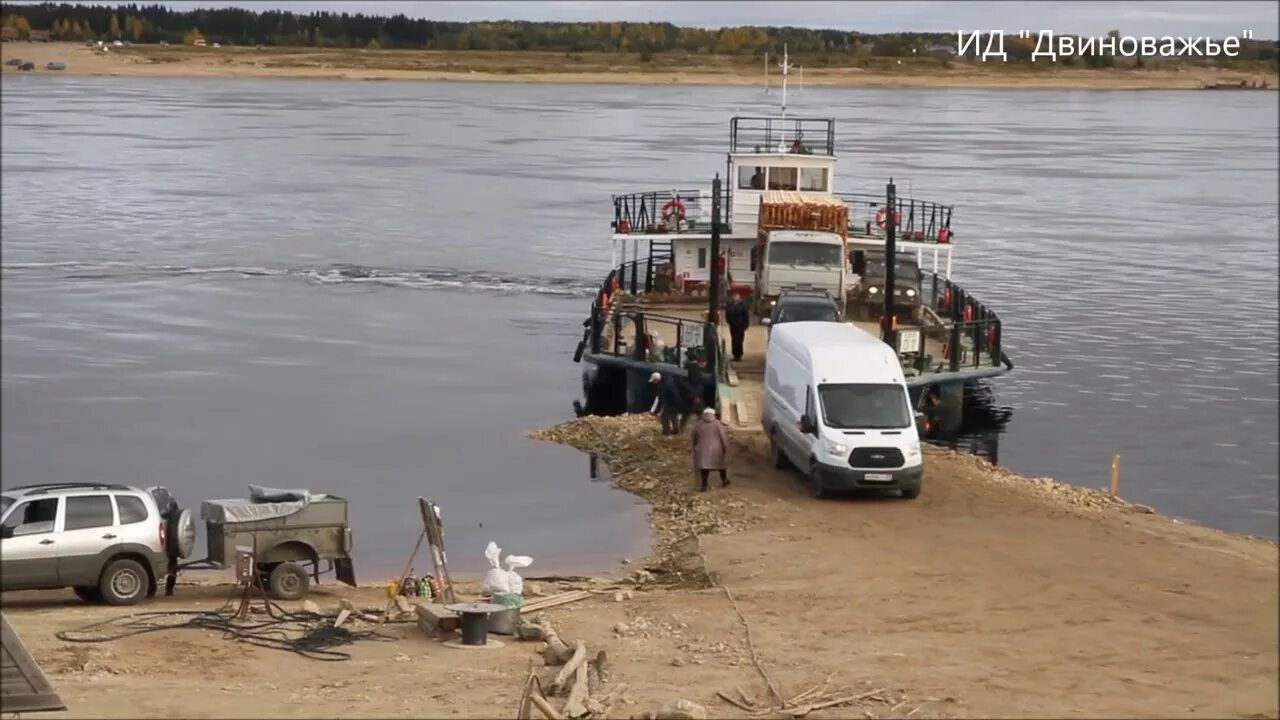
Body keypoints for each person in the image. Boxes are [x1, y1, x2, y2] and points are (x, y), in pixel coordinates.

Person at [691, 407, 730, 491]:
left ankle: (704, 486)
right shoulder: (717, 424)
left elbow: (694, 436)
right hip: (716, 449)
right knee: (721, 466)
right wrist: (725, 448)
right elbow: (723, 437)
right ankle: (724, 481)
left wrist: (695, 447)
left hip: (702, 448)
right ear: (713, 414)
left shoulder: (698, 424)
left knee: (704, 468)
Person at [649, 371, 688, 435]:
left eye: (654, 381)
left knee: (664, 416)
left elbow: (660, 400)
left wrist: (655, 411)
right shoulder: (668, 379)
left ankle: (666, 432)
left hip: (672, 402)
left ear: (657, 380)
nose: (653, 383)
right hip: (678, 400)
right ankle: (676, 431)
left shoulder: (662, 386)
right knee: (673, 415)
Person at [725, 291, 750, 362]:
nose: (735, 297)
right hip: (733, 325)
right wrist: (729, 322)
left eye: (736, 296)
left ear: (739, 297)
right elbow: (727, 314)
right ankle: (734, 354)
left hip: (740, 325)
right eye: (734, 296)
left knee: (739, 341)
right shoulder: (730, 304)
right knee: (734, 340)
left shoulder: (743, 305)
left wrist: (746, 325)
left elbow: (746, 316)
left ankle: (739, 355)